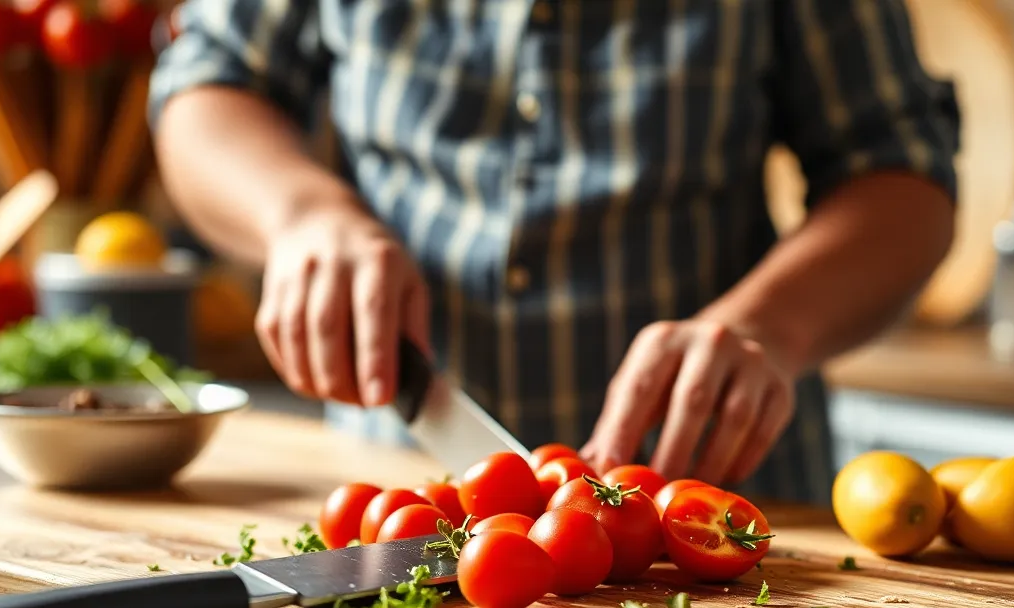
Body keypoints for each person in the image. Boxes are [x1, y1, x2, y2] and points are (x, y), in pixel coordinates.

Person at [149, 0, 959, 506]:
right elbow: (207, 85)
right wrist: (303, 213)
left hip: (725, 509)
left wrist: (768, 329)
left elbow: (901, 171)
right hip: (401, 489)